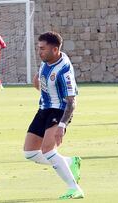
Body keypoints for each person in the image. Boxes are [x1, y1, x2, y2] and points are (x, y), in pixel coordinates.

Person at [23, 31, 84, 199]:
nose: (39, 51)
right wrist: (39, 83)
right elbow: (41, 82)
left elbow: (72, 101)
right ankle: (69, 162)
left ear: (55, 49)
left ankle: (74, 188)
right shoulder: (46, 61)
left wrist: (62, 126)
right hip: (44, 109)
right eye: (39, 48)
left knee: (48, 150)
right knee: (30, 153)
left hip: (60, 111)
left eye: (42, 48)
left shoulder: (64, 70)